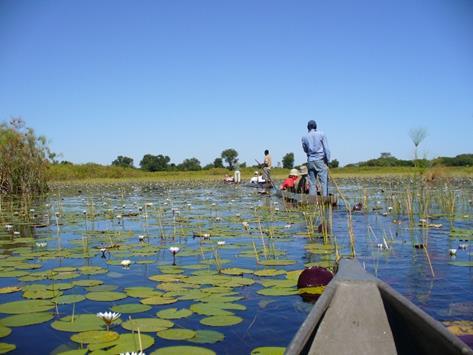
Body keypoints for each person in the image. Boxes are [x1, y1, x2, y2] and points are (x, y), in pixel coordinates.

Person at [302, 120, 330, 196]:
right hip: (320, 160)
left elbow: (305, 150)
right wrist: (327, 161)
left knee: (312, 183)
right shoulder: (322, 134)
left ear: (308, 127)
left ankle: (312, 202)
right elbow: (326, 149)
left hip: (310, 161)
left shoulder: (304, 137)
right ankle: (325, 200)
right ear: (315, 127)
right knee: (324, 182)